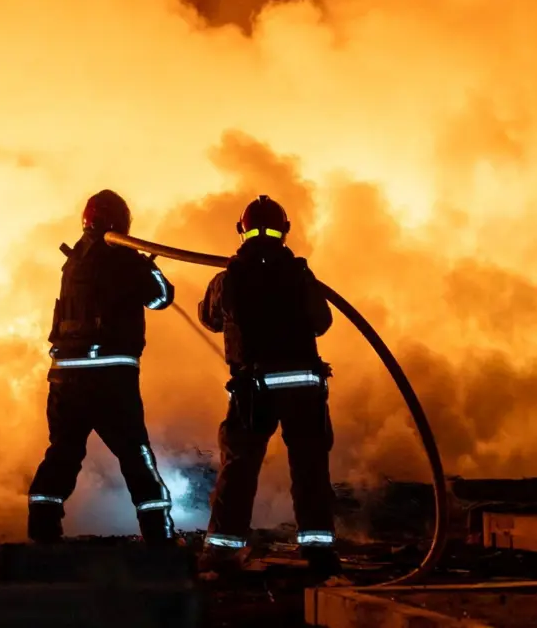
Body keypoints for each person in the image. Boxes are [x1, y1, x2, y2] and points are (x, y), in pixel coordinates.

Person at [196, 195, 342, 577]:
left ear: (241, 228)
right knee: (310, 469)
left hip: (254, 390)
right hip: (302, 389)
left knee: (240, 469)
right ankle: (319, 553)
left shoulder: (228, 278)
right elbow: (321, 321)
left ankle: (223, 553)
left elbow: (209, 318)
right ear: (286, 229)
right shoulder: (299, 274)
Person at [27, 189, 178, 546]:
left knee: (62, 452)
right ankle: (159, 536)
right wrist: (146, 262)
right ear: (122, 222)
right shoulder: (124, 260)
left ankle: (42, 531)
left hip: (65, 378)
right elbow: (161, 297)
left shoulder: (73, 260)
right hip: (110, 380)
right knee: (135, 453)